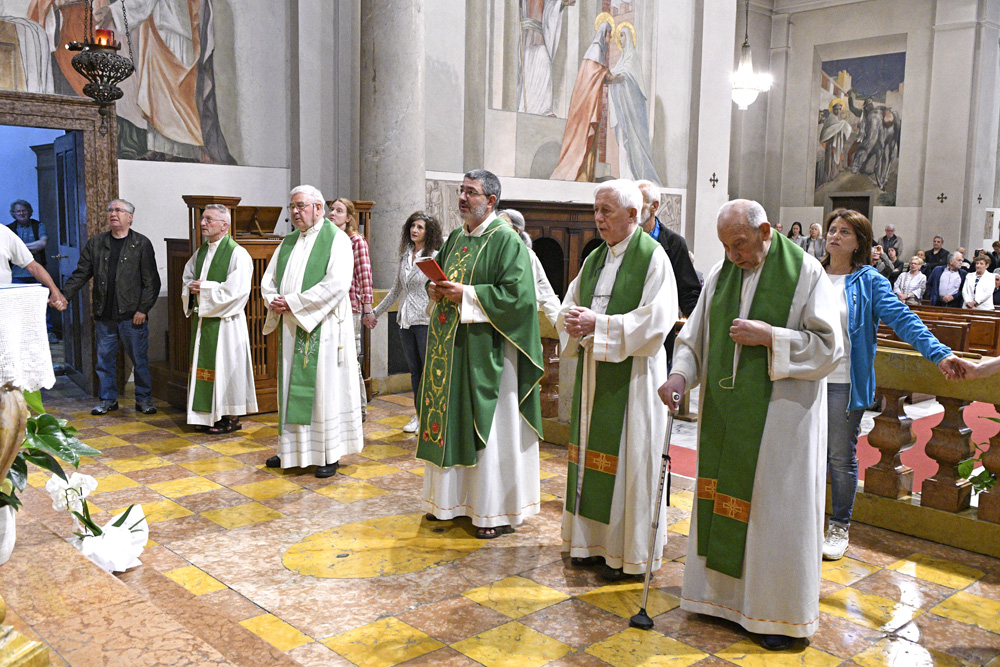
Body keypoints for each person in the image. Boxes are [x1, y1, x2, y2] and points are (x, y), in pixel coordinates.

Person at [659, 199, 843, 651]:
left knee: (774, 515)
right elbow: (694, 337)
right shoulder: (722, 276)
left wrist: (771, 337)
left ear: (765, 230)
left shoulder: (804, 274)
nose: (733, 254)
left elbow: (829, 348)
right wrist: (680, 374)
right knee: (725, 498)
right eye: (725, 246)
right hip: (725, 416)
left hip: (782, 421)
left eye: (739, 244)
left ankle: (776, 616)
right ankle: (717, 600)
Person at [819, 209, 968, 563]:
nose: (835, 236)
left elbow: (904, 319)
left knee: (840, 458)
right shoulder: (810, 274)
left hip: (843, 382)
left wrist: (940, 354)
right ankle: (802, 520)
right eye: (831, 230)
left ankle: (839, 524)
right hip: (803, 380)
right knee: (802, 454)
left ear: (859, 242)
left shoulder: (869, 280)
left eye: (844, 232)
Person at [558, 179, 677, 582]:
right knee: (593, 458)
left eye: (607, 210)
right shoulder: (594, 260)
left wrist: (601, 325)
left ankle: (628, 553)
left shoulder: (654, 257)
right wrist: (571, 320)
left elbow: (658, 320)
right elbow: (570, 303)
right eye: (596, 210)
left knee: (632, 462)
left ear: (633, 214)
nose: (598, 218)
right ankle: (590, 543)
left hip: (635, 381)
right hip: (595, 376)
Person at [417, 169, 544, 539]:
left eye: (470, 192)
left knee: (492, 430)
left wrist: (467, 296)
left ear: (490, 201)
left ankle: (494, 512)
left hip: (491, 357)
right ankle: (449, 503)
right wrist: (436, 289)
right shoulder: (456, 237)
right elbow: (443, 279)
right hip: (451, 354)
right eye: (460, 191)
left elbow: (520, 300)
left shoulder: (507, 241)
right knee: (450, 423)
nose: (462, 198)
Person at [261, 186, 363, 478]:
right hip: (293, 328)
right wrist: (273, 300)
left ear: (318, 208)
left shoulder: (337, 240)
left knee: (322, 391)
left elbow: (337, 284)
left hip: (323, 328)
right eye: (292, 206)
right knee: (291, 389)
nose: (295, 212)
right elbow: (269, 279)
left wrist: (292, 302)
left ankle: (327, 453)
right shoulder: (289, 241)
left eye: (301, 206)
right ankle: (290, 451)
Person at [61, 199, 160, 415]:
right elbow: (81, 274)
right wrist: (63, 294)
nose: (113, 213)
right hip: (104, 314)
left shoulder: (141, 244)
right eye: (110, 210)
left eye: (118, 210)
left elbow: (151, 282)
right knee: (104, 361)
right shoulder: (96, 243)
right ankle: (108, 400)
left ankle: (143, 399)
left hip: (132, 315)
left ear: (130, 217)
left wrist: (143, 309)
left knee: (139, 360)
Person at [181, 204, 258, 434]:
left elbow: (238, 291)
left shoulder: (237, 253)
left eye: (209, 219)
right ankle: (208, 416)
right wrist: (192, 288)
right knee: (208, 371)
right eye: (203, 219)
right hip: (205, 321)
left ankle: (231, 417)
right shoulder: (201, 252)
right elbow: (187, 277)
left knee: (227, 369)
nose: (203, 223)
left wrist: (205, 289)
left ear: (225, 225)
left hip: (226, 323)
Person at [372, 212, 444, 434]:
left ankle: (433, 416)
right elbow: (396, 290)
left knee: (429, 371)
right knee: (415, 371)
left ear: (428, 231)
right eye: (412, 226)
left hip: (425, 320)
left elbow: (441, 285)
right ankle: (419, 415)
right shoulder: (405, 255)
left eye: (420, 227)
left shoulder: (435, 256)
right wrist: (375, 312)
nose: (415, 230)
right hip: (405, 321)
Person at [636, 180, 701, 365]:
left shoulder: (674, 244)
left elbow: (688, 293)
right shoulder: (623, 241)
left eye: (638, 202)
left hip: (662, 339)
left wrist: (701, 331)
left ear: (654, 206)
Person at [551, 15, 614, 181]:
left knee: (590, 143)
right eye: (609, 34)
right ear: (604, 33)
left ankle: (587, 174)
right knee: (583, 141)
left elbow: (598, 76)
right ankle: (580, 174)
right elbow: (594, 76)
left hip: (590, 105)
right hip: (585, 108)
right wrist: (609, 75)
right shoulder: (594, 51)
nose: (610, 38)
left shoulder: (597, 52)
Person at [329, 198, 375, 421]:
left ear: (348, 217)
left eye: (339, 211)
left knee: (352, 356)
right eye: (331, 209)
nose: (332, 213)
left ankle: (360, 407)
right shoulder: (329, 239)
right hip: (332, 307)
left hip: (352, 306)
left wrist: (368, 308)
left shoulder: (356, 241)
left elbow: (364, 275)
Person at [498, 208, 561, 328]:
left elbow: (544, 291)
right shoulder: (490, 253)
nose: (497, 228)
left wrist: (558, 322)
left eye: (503, 224)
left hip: (521, 321)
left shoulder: (527, 255)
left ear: (516, 231)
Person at [8, 199, 57, 338]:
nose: (21, 213)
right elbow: (8, 250)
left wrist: (19, 248)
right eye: (18, 211)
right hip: (16, 273)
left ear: (29, 212)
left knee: (43, 303)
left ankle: (49, 332)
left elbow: (42, 243)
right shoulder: (8, 229)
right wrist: (30, 247)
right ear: (13, 214)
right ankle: (22, 334)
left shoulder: (38, 225)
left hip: (38, 273)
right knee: (18, 305)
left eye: (24, 210)